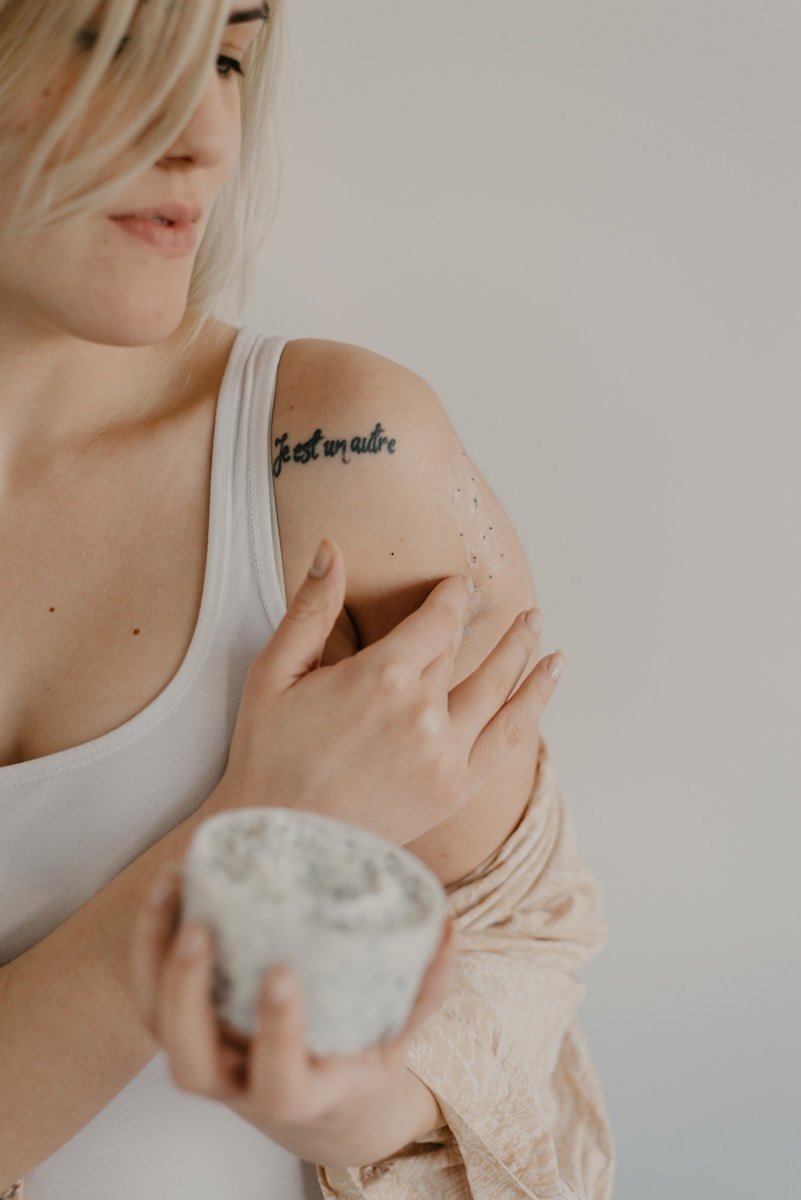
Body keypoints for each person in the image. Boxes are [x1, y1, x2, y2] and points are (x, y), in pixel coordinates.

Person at [0, 2, 614, 1198]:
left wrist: (354, 1106)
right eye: (115, 45)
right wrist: (245, 848)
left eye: (227, 55)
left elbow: (519, 992)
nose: (203, 136)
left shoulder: (344, 459)